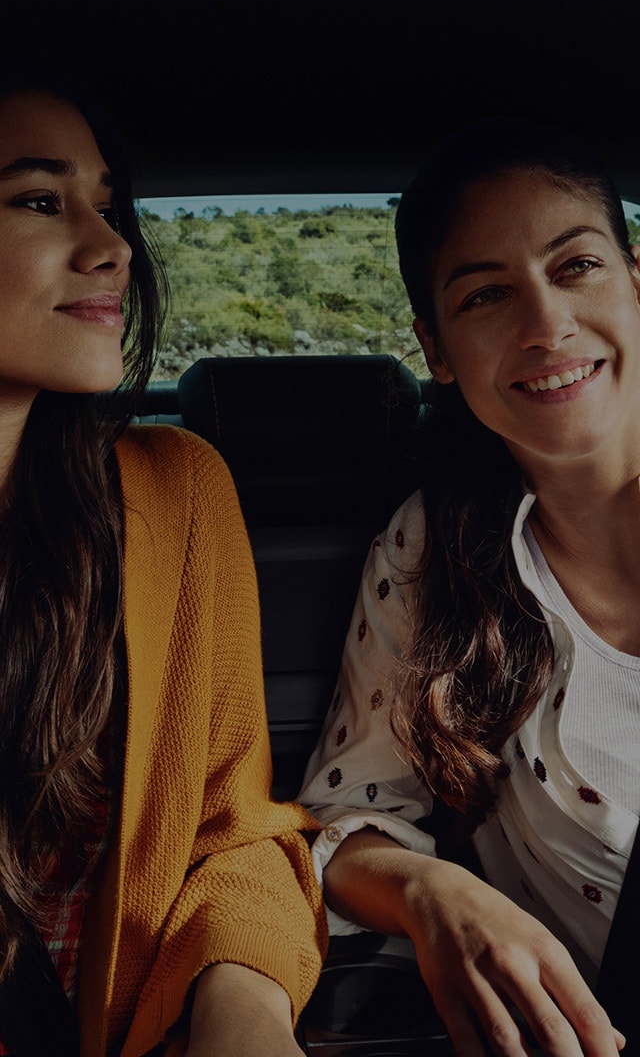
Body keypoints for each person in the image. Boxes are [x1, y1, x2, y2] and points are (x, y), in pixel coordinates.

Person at [0, 61, 326, 1057]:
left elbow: (233, 828)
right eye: (40, 200)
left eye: (111, 207)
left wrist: (246, 1003)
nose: (112, 248)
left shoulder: (174, 493)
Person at [299, 117, 640, 1056]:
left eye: (576, 268)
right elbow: (347, 814)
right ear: (437, 350)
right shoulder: (430, 552)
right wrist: (433, 890)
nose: (545, 324)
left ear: (637, 279)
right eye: (487, 295)